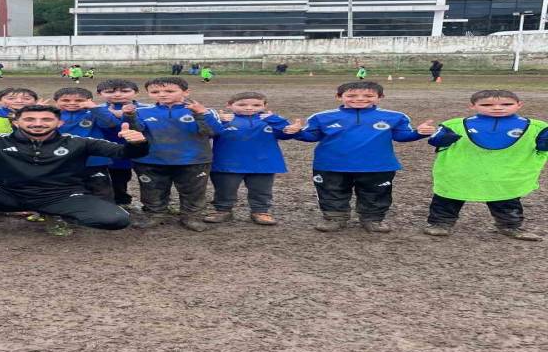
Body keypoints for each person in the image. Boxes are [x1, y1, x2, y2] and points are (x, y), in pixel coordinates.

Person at [0, 105, 150, 248]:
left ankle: (53, 215)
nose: (38, 123)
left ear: (58, 123)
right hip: (6, 196)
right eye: (30, 119)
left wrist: (137, 143)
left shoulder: (77, 142)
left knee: (116, 220)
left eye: (46, 119)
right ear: (16, 122)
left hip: (60, 197)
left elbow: (122, 153)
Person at [290, 81, 436, 233]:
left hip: (378, 166)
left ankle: (372, 219)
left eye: (368, 95)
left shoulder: (395, 117)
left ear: (380, 97)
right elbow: (311, 136)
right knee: (331, 192)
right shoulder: (322, 117)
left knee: (376, 194)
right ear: (339, 97)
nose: (359, 99)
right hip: (330, 165)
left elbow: (402, 136)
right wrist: (297, 131)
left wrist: (419, 133)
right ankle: (335, 217)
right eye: (351, 95)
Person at [424, 90, 548, 240]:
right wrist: (437, 137)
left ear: (519, 105)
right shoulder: (455, 125)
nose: (497, 108)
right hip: (460, 173)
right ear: (472, 106)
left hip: (506, 176)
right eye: (487, 104)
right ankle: (440, 224)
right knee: (447, 199)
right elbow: (435, 141)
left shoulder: (537, 127)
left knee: (506, 201)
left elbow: (544, 147)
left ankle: (510, 226)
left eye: (506, 104)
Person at [124, 77, 226, 231]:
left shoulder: (204, 111)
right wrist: (129, 116)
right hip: (151, 160)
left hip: (193, 160)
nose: (162, 95)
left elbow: (214, 132)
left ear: (186, 92)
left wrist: (201, 114)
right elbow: (136, 131)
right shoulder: (141, 111)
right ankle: (155, 214)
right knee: (152, 190)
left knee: (193, 192)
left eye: (169, 91)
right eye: (155, 92)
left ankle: (191, 216)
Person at [208, 92, 301, 226]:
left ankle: (260, 211)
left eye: (256, 105)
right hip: (227, 163)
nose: (249, 108)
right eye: (242, 104)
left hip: (263, 163)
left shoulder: (272, 120)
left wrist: (291, 128)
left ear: (265, 106)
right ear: (229, 105)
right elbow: (207, 134)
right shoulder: (222, 120)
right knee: (225, 189)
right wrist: (218, 121)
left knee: (261, 190)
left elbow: (285, 134)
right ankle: (222, 210)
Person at [51, 87, 122, 236]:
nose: (72, 103)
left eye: (79, 100)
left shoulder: (94, 114)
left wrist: (95, 108)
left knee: (101, 190)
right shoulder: (51, 116)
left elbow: (111, 124)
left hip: (94, 161)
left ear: (89, 101)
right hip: (61, 162)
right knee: (64, 190)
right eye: (65, 100)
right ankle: (64, 217)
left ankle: (105, 216)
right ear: (56, 102)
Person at [96, 79, 143, 210]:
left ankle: (124, 200)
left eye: (125, 91)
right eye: (110, 92)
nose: (117, 95)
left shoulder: (145, 109)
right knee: (109, 177)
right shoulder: (95, 110)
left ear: (136, 93)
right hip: (107, 152)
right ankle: (112, 201)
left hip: (138, 151)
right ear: (100, 94)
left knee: (126, 177)